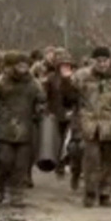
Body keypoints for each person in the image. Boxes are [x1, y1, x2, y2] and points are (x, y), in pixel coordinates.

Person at [63, 46, 111, 207]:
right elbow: (68, 96)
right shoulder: (82, 77)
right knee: (91, 161)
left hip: (110, 125)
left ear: (109, 61)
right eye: (99, 61)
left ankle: (105, 193)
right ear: (93, 61)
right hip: (89, 124)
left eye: (105, 60)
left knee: (108, 162)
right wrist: (66, 81)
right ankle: (90, 193)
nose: (102, 64)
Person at [0, 51, 46, 207]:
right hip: (5, 127)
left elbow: (41, 99)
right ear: (13, 66)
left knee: (21, 165)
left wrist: (39, 109)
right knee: (5, 160)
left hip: (26, 127)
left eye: (25, 65)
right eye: (19, 65)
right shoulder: (1, 81)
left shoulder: (33, 83)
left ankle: (17, 194)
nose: (23, 68)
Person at [43, 49, 78, 178]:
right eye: (63, 65)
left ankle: (66, 164)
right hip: (55, 113)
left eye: (68, 65)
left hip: (71, 114)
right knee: (57, 140)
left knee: (69, 141)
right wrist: (46, 109)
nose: (66, 67)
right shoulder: (51, 78)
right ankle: (59, 163)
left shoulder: (75, 78)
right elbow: (45, 95)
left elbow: (75, 97)